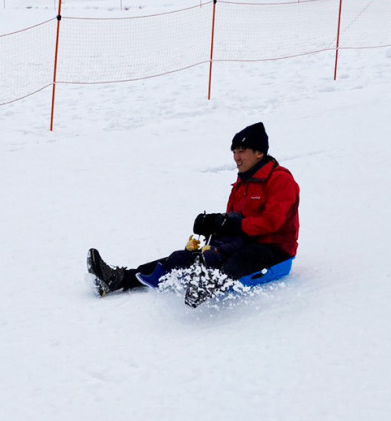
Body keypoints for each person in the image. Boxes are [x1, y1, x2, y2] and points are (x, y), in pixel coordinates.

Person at [87, 121, 300, 298]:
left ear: (259, 153)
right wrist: (214, 224)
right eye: (234, 151)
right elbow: (235, 220)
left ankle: (205, 287)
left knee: (237, 259)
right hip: (243, 242)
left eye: (241, 151)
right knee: (183, 257)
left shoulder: (280, 180)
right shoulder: (242, 183)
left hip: (274, 248)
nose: (236, 157)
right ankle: (120, 279)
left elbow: (273, 222)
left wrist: (232, 224)